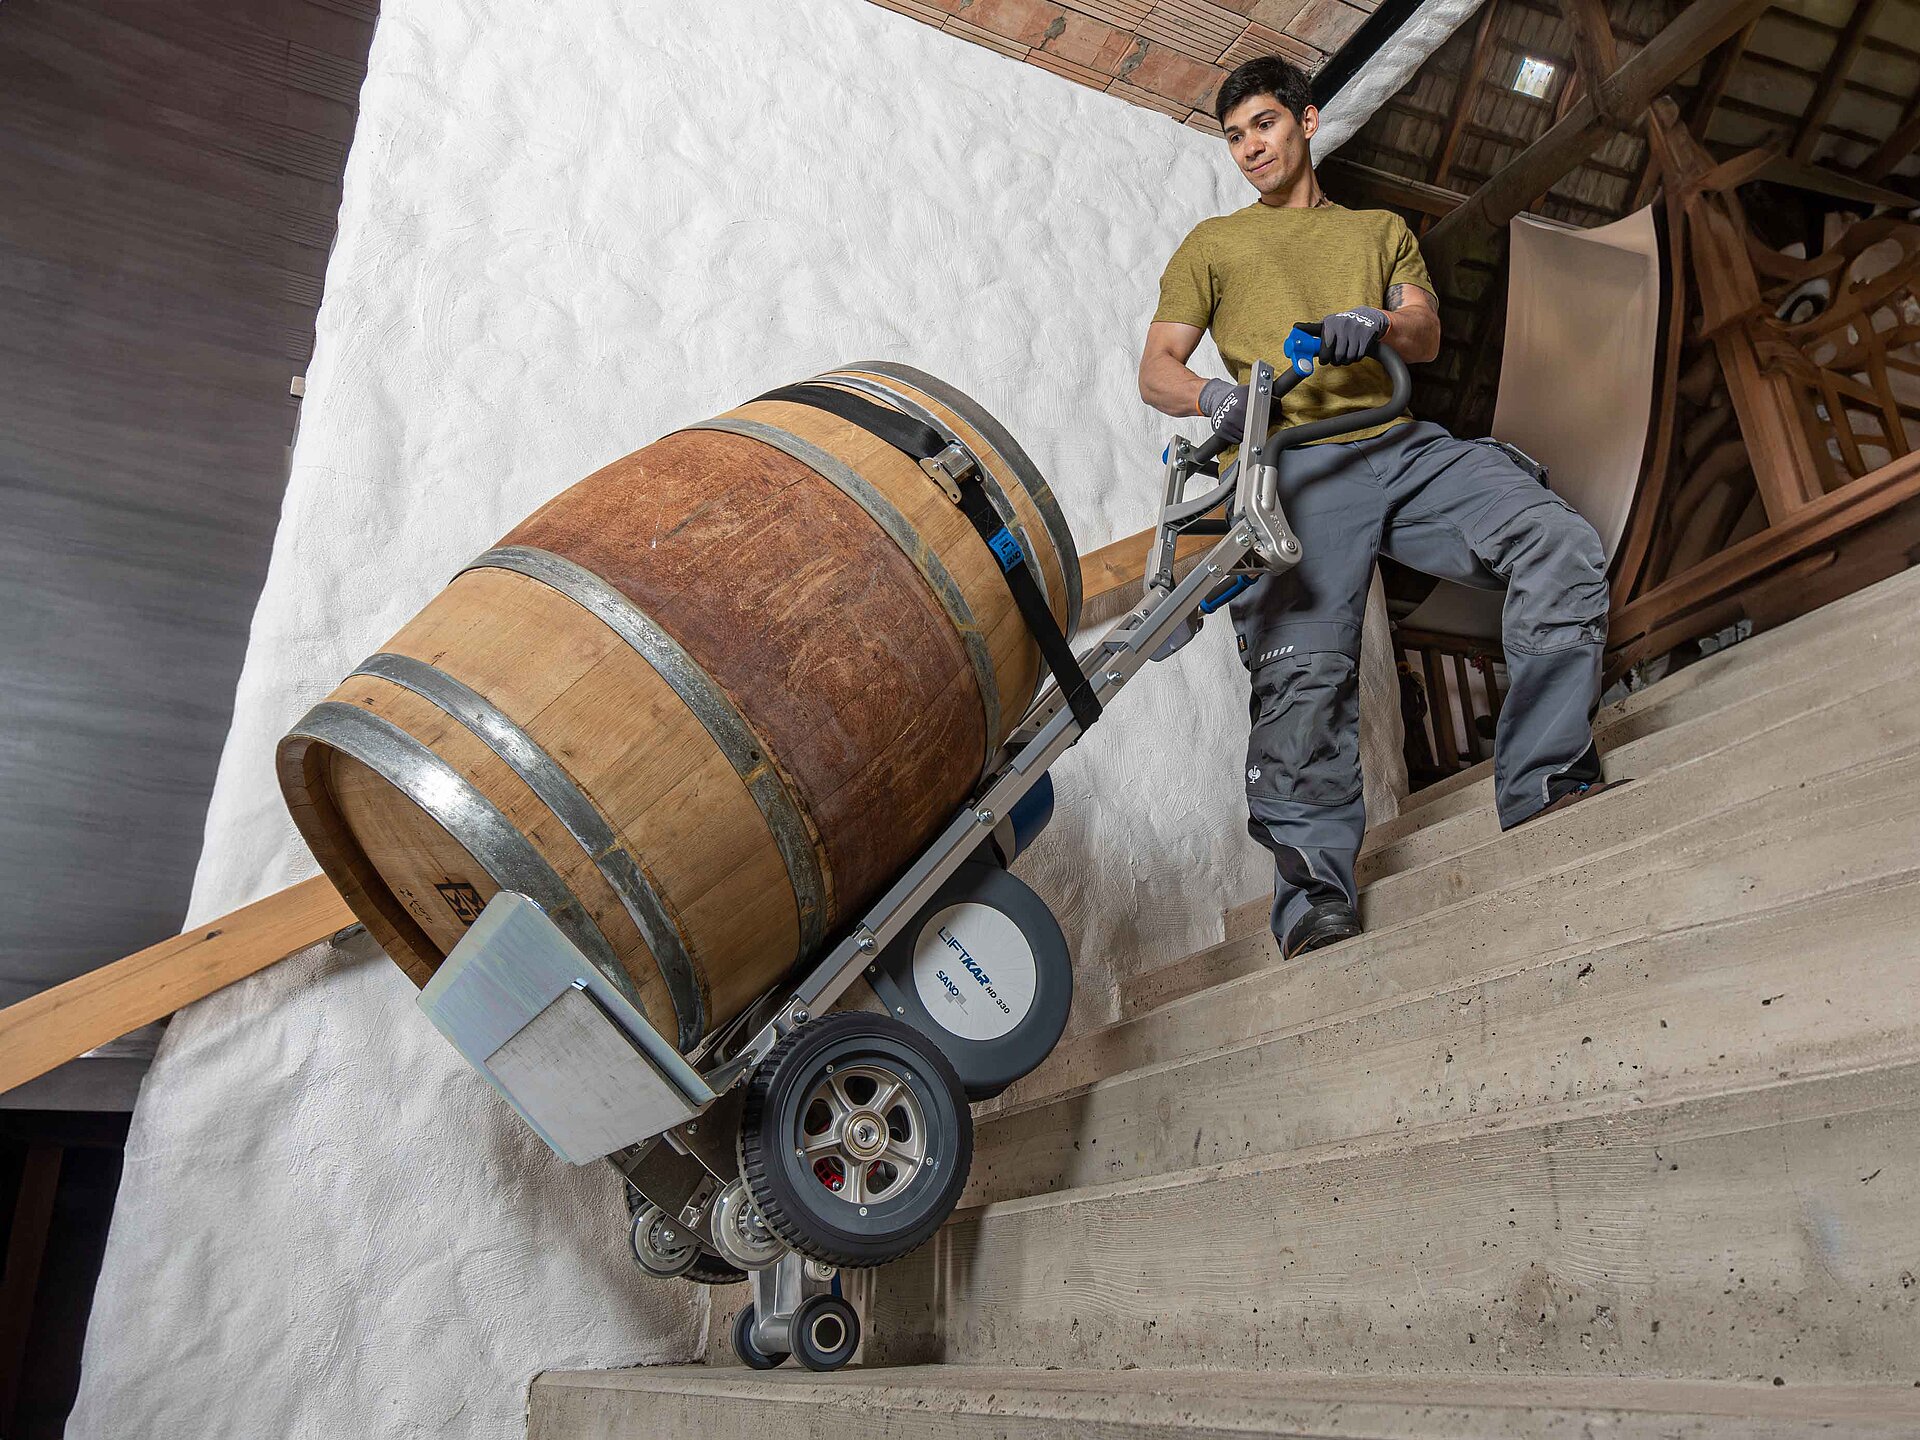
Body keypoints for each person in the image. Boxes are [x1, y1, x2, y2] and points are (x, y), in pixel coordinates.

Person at [1138, 55, 1618, 962]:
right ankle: (1315, 903)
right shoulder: (1213, 243)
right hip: (1296, 468)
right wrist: (1213, 398)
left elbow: (1423, 330)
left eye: (1264, 125)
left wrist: (1379, 323)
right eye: (1235, 137)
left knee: (1554, 540)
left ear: (1307, 121)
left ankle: (1546, 783)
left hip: (1397, 444)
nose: (1250, 148)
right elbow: (1156, 369)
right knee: (1304, 675)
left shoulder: (1380, 229)